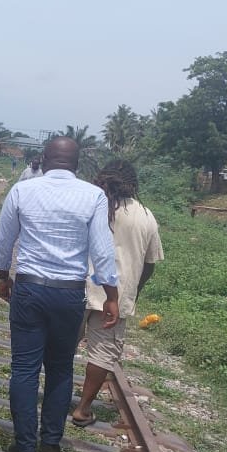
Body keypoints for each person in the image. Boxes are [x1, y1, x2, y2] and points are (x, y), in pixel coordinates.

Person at [0, 136, 119, 452]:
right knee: (61, 368)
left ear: (44, 159)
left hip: (30, 289)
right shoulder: (93, 196)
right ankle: (49, 445)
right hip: (69, 294)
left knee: (24, 368)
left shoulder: (23, 190)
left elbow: (3, 241)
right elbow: (103, 251)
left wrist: (3, 277)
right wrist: (112, 296)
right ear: (77, 164)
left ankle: (23, 447)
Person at [71, 160, 163, 427]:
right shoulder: (146, 217)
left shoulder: (91, 204)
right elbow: (149, 265)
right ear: (133, 184)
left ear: (103, 179)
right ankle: (83, 408)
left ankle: (55, 396)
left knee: (63, 345)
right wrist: (132, 292)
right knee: (102, 354)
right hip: (117, 297)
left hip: (78, 288)